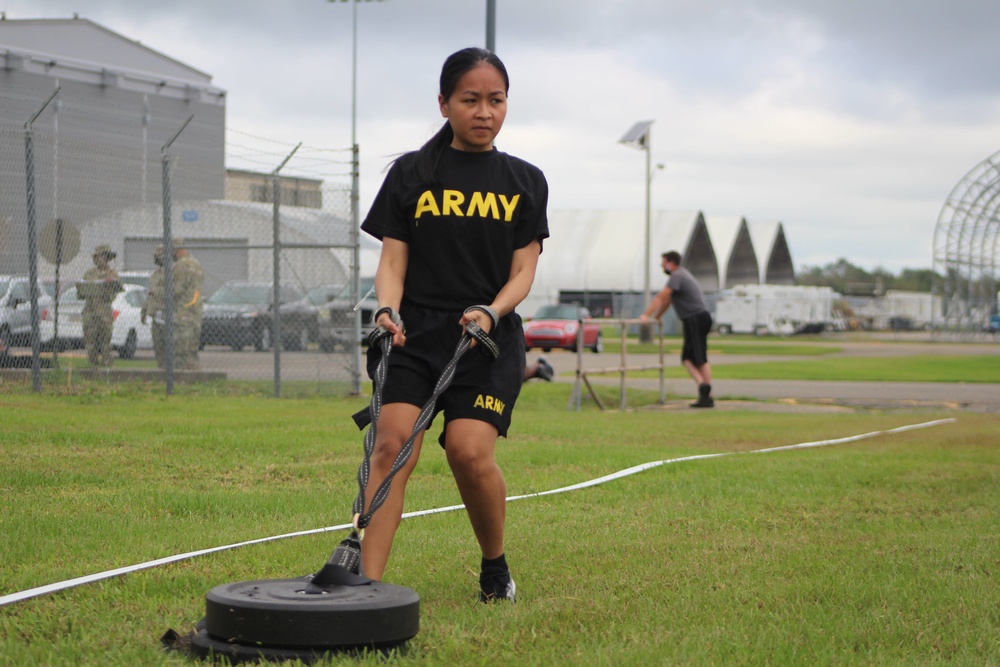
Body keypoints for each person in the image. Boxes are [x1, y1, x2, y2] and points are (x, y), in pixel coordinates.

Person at [359, 47, 548, 603]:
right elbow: (393, 261)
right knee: (391, 445)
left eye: (496, 100)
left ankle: (495, 567)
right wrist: (386, 309)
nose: (485, 111)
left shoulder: (525, 181)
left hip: (484, 339)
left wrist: (492, 309)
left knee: (467, 450)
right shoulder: (411, 173)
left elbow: (524, 270)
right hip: (413, 337)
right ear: (444, 103)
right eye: (470, 100)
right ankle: (365, 591)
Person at [640, 250, 714, 408]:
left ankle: (706, 392)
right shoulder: (680, 277)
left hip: (696, 318)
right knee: (689, 358)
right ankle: (706, 392)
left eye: (663, 262)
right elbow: (667, 301)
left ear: (670, 262)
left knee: (698, 358)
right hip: (695, 319)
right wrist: (657, 316)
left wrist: (645, 315)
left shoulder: (677, 276)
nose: (661, 266)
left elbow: (660, 296)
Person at [78, 244, 123, 367]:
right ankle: (92, 367)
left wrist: (109, 284)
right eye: (98, 256)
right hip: (90, 312)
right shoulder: (89, 274)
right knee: (90, 342)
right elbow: (81, 293)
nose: (100, 259)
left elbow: (113, 294)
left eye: (103, 256)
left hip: (104, 313)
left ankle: (107, 368)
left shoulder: (112, 274)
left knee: (105, 343)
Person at [169, 239, 205, 371]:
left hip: (182, 312)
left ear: (177, 249)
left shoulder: (181, 265)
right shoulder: (196, 264)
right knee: (192, 349)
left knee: (181, 350)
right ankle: (194, 374)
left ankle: (182, 377)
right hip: (195, 312)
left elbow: (176, 290)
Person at [141, 245, 167, 368]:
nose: (156, 258)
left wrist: (156, 291)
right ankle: (161, 368)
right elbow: (149, 294)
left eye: (159, 255)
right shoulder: (155, 274)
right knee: (158, 344)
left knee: (167, 344)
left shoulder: (171, 273)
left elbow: (172, 291)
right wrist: (144, 310)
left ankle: (169, 370)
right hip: (155, 314)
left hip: (166, 313)